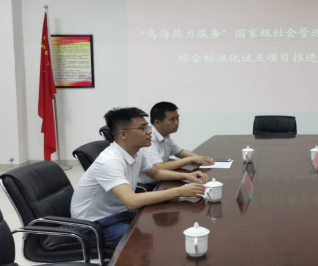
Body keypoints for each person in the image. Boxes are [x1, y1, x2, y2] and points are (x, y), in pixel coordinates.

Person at [71, 107, 209, 247]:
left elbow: (156, 173)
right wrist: (179, 191)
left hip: (119, 214)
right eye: (142, 128)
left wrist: (187, 176)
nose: (149, 131)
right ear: (123, 134)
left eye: (147, 127)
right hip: (93, 225)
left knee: (166, 212)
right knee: (143, 238)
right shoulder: (109, 161)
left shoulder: (136, 153)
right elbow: (132, 201)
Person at [138, 102, 214, 190]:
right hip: (147, 186)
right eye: (172, 119)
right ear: (157, 122)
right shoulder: (148, 137)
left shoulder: (164, 134)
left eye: (177, 118)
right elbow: (159, 167)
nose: (177, 122)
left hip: (161, 180)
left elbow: (179, 152)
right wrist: (191, 159)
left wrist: (199, 158)